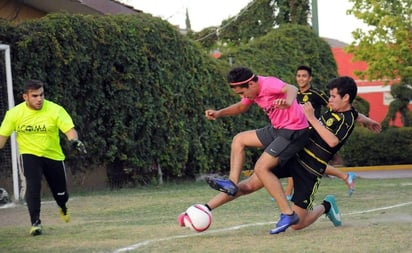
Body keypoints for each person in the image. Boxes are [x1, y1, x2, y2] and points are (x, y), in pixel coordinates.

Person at [179, 76, 381, 234]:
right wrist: (370, 121)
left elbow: (332, 141)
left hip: (310, 170)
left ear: (346, 98)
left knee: (298, 225)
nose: (329, 100)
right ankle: (204, 208)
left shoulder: (346, 119)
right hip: (294, 154)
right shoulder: (339, 108)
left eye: (333, 96)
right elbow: (357, 114)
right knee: (249, 184)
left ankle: (326, 206)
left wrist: (311, 117)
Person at [204, 66, 310, 198]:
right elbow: (241, 106)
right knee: (239, 139)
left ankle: (287, 213)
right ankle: (231, 183)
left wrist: (288, 102)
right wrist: (218, 113)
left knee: (261, 168)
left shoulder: (268, 84)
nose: (243, 96)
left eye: (242, 93)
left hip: (293, 129)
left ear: (251, 84)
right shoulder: (253, 91)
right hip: (277, 129)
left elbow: (292, 88)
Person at [0, 79, 87, 236]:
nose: (39, 99)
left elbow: (70, 131)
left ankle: (63, 206)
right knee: (33, 186)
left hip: (53, 156)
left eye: (41, 95)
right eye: (34, 96)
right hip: (29, 155)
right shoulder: (14, 114)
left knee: (61, 194)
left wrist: (74, 141)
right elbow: (1, 139)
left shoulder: (55, 110)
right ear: (25, 97)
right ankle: (35, 223)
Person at [284, 65, 357, 199]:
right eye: (298, 76)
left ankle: (289, 194)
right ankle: (288, 193)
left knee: (305, 160)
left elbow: (344, 111)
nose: (301, 78)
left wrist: (312, 118)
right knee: (285, 160)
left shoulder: (317, 94)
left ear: (310, 78)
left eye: (304, 76)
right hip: (300, 132)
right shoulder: (295, 94)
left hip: (313, 134)